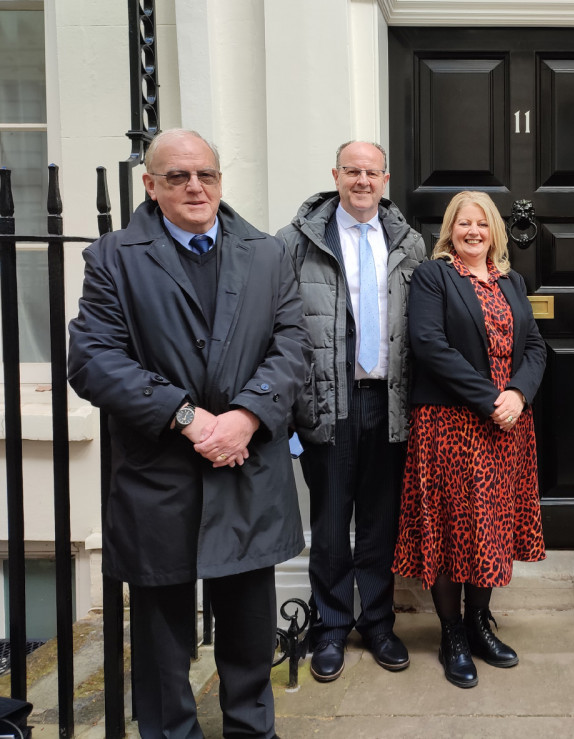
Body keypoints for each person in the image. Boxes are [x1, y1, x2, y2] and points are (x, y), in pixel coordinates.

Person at [67, 128, 310, 737]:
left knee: (250, 631)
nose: (194, 186)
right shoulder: (114, 257)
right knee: (161, 641)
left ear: (221, 180)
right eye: (177, 176)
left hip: (246, 466)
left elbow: (294, 344)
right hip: (161, 473)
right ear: (150, 185)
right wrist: (187, 417)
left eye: (205, 174)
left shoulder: (268, 251)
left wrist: (246, 416)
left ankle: (251, 731)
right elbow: (93, 359)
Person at [276, 141, 426, 683]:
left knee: (382, 522)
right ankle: (332, 628)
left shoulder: (409, 242)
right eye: (352, 171)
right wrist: (289, 412)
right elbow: (279, 326)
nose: (362, 181)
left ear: (386, 178)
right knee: (333, 521)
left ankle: (379, 623)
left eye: (372, 172)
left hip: (388, 401)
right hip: (327, 399)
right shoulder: (297, 241)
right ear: (335, 175)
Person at [393, 190, 547, 689]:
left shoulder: (513, 280)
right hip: (449, 425)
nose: (473, 231)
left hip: (506, 427)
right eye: (464, 224)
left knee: (490, 526)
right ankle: (452, 632)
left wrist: (519, 394)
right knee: (448, 526)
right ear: (450, 230)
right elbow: (429, 344)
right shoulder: (434, 276)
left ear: (495, 230)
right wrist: (491, 398)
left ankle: (480, 624)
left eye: (482, 223)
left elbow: (537, 347)